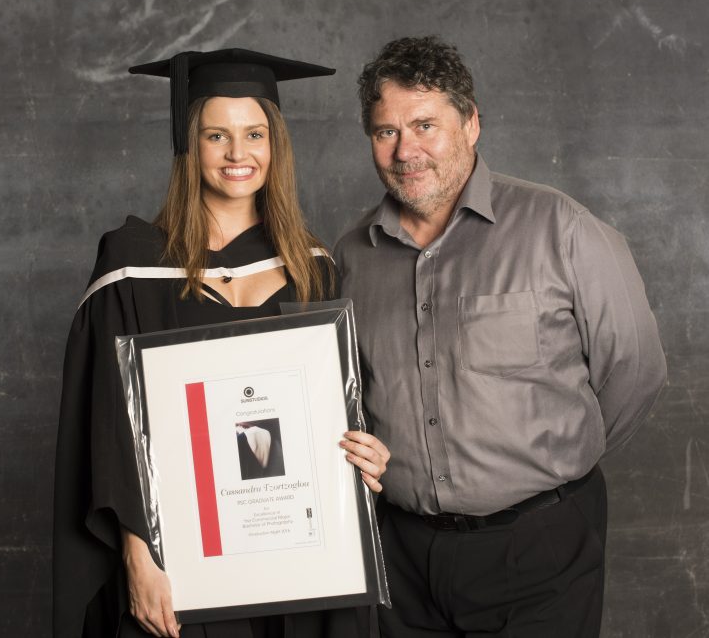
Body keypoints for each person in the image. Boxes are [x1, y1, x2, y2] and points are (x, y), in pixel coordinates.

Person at [334, 36, 667, 637]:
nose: (406, 150)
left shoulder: (561, 229)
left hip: (539, 551)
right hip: (401, 561)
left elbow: (636, 370)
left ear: (471, 123)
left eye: (425, 125)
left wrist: (554, 471)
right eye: (386, 131)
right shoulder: (352, 255)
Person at [54, 48, 390, 638]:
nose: (239, 154)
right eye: (217, 135)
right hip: (182, 564)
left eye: (254, 134)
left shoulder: (312, 266)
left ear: (275, 144)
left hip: (296, 563)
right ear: (190, 146)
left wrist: (367, 452)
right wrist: (138, 557)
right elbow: (109, 430)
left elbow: (332, 413)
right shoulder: (132, 269)